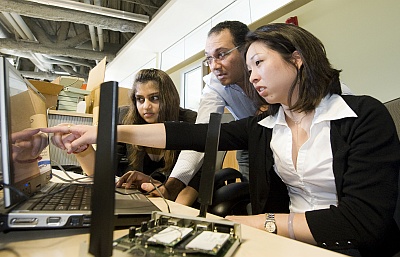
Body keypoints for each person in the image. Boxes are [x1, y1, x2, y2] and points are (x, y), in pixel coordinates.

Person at [42, 23, 400, 256]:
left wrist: (253, 223)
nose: (252, 74)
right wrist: (104, 132)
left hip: (352, 245)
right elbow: (192, 133)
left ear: (298, 59)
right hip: (289, 242)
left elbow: (363, 220)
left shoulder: (362, 115)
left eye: (259, 62)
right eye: (250, 64)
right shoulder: (265, 123)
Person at [117, 20, 267, 206]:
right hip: (251, 140)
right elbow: (202, 135)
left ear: (246, 48)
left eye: (221, 55)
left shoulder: (267, 67)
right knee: (259, 197)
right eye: (209, 59)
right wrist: (170, 189)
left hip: (286, 134)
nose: (214, 66)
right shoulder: (215, 84)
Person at [55, 68, 197, 187]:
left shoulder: (190, 121)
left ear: (169, 98)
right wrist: (81, 148)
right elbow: (103, 172)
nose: (146, 106)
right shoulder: (124, 117)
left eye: (154, 98)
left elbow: (195, 180)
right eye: (140, 99)